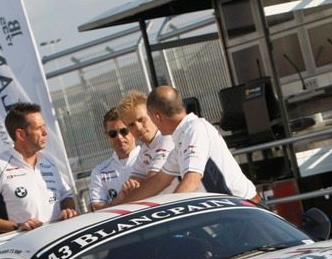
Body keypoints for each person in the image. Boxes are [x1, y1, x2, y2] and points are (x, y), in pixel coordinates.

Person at [120, 86, 260, 203]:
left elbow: (192, 181)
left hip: (243, 209)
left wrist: (170, 214)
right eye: (131, 124)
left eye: (145, 119)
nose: (138, 127)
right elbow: (158, 181)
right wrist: (115, 209)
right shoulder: (183, 136)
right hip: (232, 210)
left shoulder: (194, 130)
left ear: (157, 116)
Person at [0, 102, 77, 233]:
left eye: (44, 126)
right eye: (38, 128)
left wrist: (68, 210)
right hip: (24, 249)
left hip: (58, 240)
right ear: (20, 134)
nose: (45, 132)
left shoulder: (49, 160)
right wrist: (16, 226)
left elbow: (66, 196)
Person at [110, 89, 178, 204]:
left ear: (152, 115)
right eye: (131, 125)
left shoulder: (167, 139)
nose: (138, 127)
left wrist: (124, 202)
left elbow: (152, 184)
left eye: (141, 119)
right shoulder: (145, 149)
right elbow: (130, 188)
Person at [88, 108, 139, 210]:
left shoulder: (149, 157)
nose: (119, 137)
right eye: (113, 134)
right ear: (106, 136)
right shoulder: (99, 171)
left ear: (132, 129)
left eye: (124, 131)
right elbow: (94, 207)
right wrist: (120, 199)